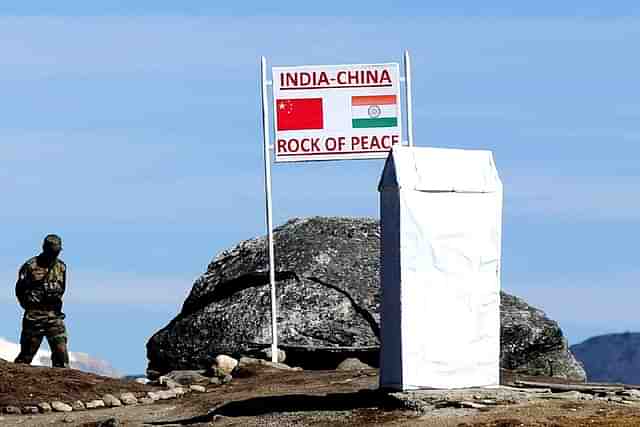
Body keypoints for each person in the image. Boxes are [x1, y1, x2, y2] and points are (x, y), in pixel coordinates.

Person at [14, 234, 70, 368]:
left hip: (54, 316)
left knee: (61, 354)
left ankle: (62, 386)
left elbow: (62, 288)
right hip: (34, 317)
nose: (54, 255)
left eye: (57, 252)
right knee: (26, 355)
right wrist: (30, 307)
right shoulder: (30, 266)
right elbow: (20, 290)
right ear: (45, 249)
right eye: (52, 252)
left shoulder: (61, 267)